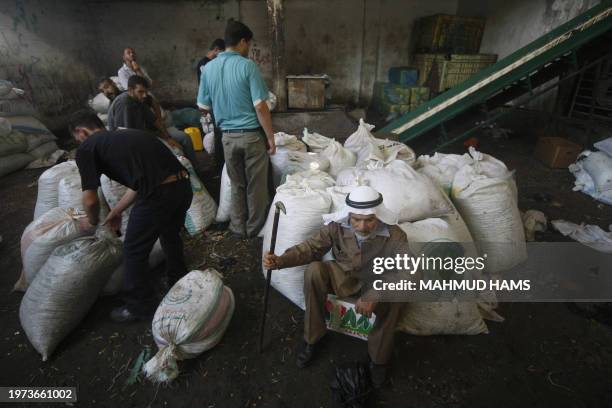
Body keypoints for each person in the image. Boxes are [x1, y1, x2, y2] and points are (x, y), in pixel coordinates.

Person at [263, 186, 406, 388]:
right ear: (349, 215)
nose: (362, 226)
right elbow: (311, 248)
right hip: (344, 277)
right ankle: (313, 338)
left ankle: (378, 360)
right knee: (314, 271)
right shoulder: (336, 227)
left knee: (397, 298)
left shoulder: (395, 235)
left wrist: (376, 293)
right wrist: (280, 260)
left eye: (369, 220)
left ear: (379, 216)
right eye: (356, 219)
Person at [69, 110, 193, 322]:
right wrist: (117, 210)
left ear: (81, 132)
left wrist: (91, 221)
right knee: (169, 234)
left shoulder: (87, 148)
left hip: (158, 195)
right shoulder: (130, 135)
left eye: (77, 138)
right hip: (182, 187)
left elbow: (90, 200)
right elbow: (144, 182)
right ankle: (177, 278)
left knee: (133, 250)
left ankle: (139, 306)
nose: (79, 141)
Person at [197, 20, 276, 238]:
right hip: (251, 137)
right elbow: (260, 106)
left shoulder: (208, 68)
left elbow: (203, 106)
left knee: (237, 183)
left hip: (226, 138)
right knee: (256, 186)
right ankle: (254, 229)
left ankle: (237, 227)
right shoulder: (247, 65)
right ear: (242, 41)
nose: (249, 48)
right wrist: (270, 138)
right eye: (249, 43)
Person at [107, 75, 196, 163]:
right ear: (130, 90)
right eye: (140, 92)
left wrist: (168, 138)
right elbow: (124, 135)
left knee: (184, 138)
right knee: (172, 152)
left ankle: (193, 166)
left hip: (145, 134)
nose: (144, 95)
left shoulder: (140, 99)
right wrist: (160, 142)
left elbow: (155, 121)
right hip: (132, 142)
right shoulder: (124, 103)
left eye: (146, 92)